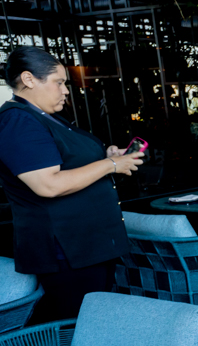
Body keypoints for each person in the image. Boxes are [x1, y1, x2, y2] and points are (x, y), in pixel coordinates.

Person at [0, 46, 143, 321]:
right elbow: (48, 185)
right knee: (74, 326)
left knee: (92, 322)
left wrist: (106, 157)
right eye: (59, 82)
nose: (66, 90)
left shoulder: (45, 118)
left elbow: (70, 164)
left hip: (87, 246)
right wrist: (111, 165)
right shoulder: (18, 121)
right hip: (67, 251)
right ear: (29, 79)